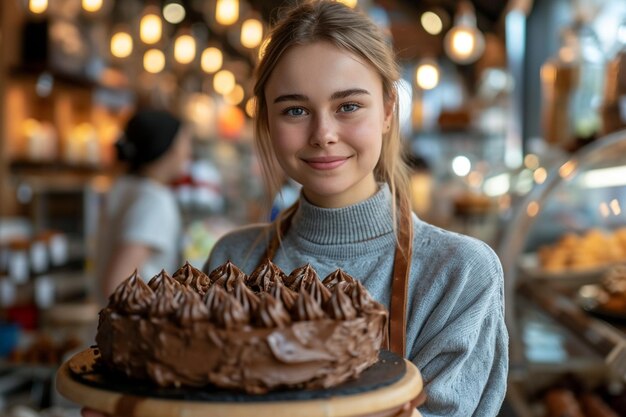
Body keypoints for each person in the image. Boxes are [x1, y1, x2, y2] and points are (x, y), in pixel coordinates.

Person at [82, 2, 507, 417]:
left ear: (388, 110)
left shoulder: (460, 274)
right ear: (267, 121)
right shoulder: (235, 259)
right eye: (295, 110)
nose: (323, 134)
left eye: (348, 106)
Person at [95, 109, 192, 300]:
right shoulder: (154, 200)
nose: (189, 151)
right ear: (167, 147)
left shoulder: (124, 186)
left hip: (109, 324)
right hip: (136, 327)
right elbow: (116, 284)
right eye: (185, 142)